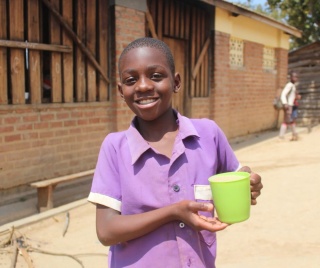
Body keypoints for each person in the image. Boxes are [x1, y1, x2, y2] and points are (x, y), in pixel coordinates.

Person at [88, 37, 263, 268]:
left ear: (176, 82)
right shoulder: (114, 147)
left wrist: (249, 181)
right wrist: (173, 213)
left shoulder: (208, 134)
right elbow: (106, 230)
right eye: (131, 80)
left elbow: (237, 174)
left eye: (156, 76)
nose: (143, 86)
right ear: (121, 91)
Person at [279, 71, 300, 141]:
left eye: (296, 77)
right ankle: (281, 136)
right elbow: (283, 94)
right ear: (290, 77)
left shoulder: (293, 86)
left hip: (293, 105)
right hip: (289, 106)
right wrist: (285, 103)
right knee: (286, 120)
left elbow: (292, 96)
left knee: (292, 120)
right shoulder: (289, 85)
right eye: (294, 77)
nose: (295, 78)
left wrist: (297, 97)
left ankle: (295, 135)